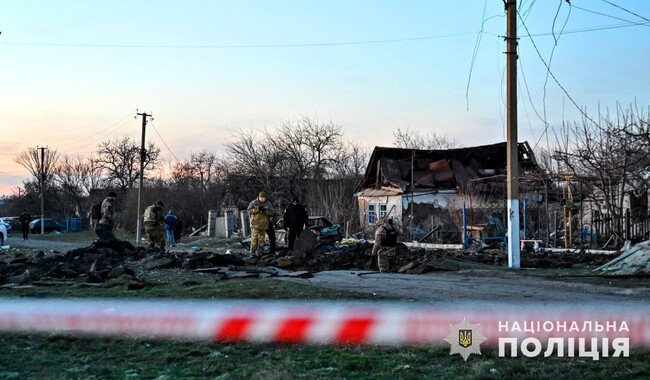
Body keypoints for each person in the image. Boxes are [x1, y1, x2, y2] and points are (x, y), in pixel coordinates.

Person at [247, 191, 275, 256]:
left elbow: (272, 212)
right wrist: (257, 209)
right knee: (254, 238)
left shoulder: (268, 203)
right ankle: (252, 252)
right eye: (261, 198)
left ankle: (260, 251)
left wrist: (265, 211)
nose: (262, 199)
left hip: (264, 224)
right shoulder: (254, 203)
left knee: (262, 239)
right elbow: (249, 210)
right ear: (258, 197)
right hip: (255, 224)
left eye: (263, 198)